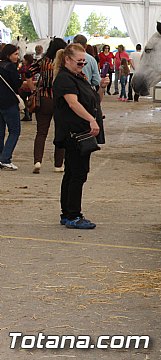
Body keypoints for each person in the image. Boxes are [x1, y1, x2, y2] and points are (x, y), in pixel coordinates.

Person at [53, 43, 105, 229]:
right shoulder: (65, 79)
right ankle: (73, 214)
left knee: (73, 173)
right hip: (74, 133)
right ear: (67, 60)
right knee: (77, 174)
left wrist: (101, 87)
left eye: (84, 62)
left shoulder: (77, 77)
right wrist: (91, 119)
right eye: (79, 62)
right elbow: (73, 104)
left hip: (79, 132)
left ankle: (68, 212)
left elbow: (91, 97)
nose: (82, 65)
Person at [30, 38, 67, 174]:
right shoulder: (64, 63)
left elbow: (29, 72)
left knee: (41, 132)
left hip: (44, 99)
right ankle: (58, 164)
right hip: (60, 100)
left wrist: (32, 87)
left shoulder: (43, 61)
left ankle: (37, 161)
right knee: (60, 132)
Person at [0, 44, 24, 170]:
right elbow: (17, 83)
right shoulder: (10, 67)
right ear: (9, 55)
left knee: (0, 131)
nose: (17, 57)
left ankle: (1, 156)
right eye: (15, 54)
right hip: (9, 102)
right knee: (14, 131)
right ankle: (5, 158)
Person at [19, 53, 35, 121]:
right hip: (31, 85)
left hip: (25, 87)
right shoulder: (33, 67)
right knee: (30, 101)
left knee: (23, 100)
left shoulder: (24, 68)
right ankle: (30, 114)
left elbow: (19, 72)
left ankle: (27, 114)